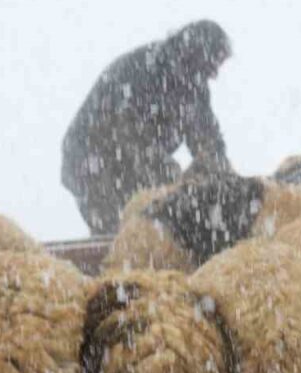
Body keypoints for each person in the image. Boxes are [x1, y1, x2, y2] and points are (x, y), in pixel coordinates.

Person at [61, 20, 234, 235]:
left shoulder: (194, 88)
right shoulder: (142, 71)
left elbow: (208, 141)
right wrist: (174, 180)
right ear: (194, 54)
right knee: (120, 232)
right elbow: (128, 135)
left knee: (152, 224)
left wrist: (227, 183)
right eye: (212, 65)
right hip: (90, 155)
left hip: (130, 161)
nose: (214, 75)